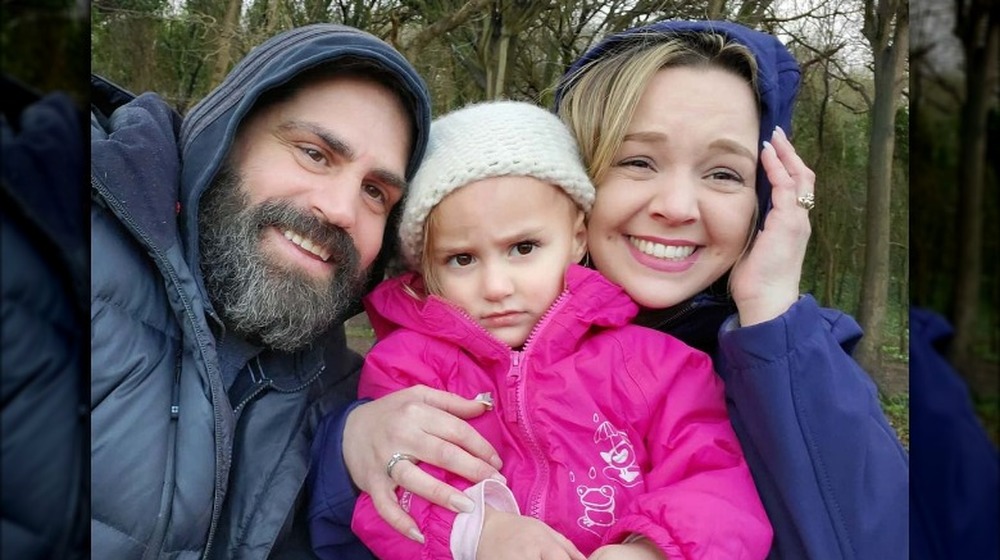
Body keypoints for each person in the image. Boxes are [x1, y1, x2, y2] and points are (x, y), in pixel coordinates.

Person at [308, 19, 909, 560]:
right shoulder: (415, 361)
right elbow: (350, 519)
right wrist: (354, 439)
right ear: (579, 182)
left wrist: (772, 316)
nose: (675, 207)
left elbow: (872, 537)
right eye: (638, 162)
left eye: (723, 173)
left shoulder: (785, 354)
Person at [340, 100, 772, 560]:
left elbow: (716, 481)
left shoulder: (660, 366)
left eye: (523, 248)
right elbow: (390, 491)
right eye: (461, 259)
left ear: (577, 239)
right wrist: (480, 533)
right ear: (426, 268)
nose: (496, 286)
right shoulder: (408, 367)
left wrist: (650, 550)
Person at [90, 23, 433, 558]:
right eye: (315, 153)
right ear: (224, 137)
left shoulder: (339, 392)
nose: (341, 210)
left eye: (375, 192)